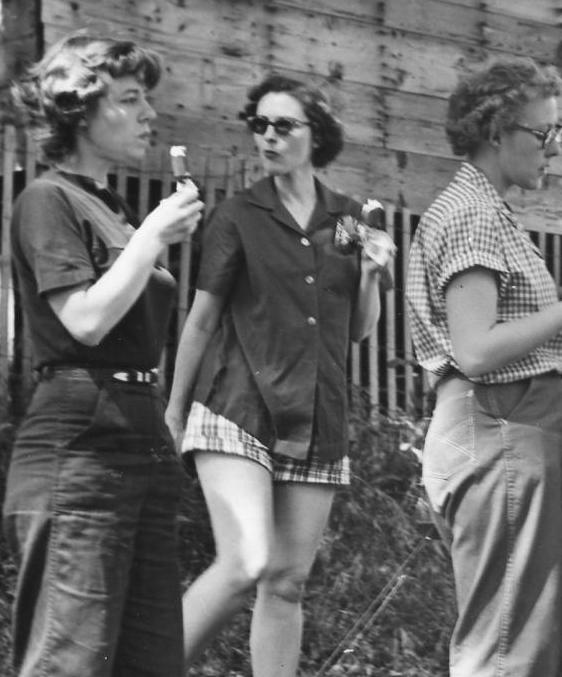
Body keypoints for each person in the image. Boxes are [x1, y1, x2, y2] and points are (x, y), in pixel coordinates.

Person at [405, 57, 562, 676]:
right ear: (496, 132)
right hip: (498, 430)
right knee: (508, 653)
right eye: (543, 135)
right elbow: (477, 349)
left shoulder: (488, 208)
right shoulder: (473, 214)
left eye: (557, 134)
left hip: (511, 432)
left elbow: (494, 322)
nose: (555, 149)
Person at [165, 74, 395, 676]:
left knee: (287, 584)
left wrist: (372, 273)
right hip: (236, 410)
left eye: (283, 125)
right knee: (246, 563)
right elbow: (201, 321)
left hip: (315, 416)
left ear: (316, 135)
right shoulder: (238, 216)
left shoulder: (350, 219)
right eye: (259, 124)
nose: (267, 136)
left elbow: (360, 329)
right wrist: (173, 410)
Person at [4, 33, 204, 676]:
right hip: (80, 439)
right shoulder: (47, 200)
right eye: (130, 98)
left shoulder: (112, 209)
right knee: (71, 659)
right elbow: (85, 320)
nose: (149, 113)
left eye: (147, 98)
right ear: (80, 110)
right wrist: (149, 239)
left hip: (138, 434)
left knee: (150, 663)